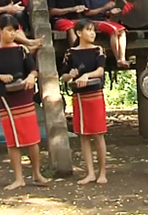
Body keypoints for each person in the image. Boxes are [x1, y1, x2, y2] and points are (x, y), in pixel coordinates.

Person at [0, 14, 50, 190]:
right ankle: (18, 178)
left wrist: (31, 78)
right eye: (9, 30)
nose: (12, 34)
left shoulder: (22, 50)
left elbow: (33, 70)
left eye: (14, 30)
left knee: (32, 138)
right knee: (12, 140)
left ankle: (37, 173)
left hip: (24, 96)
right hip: (5, 98)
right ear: (0, 31)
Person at [60, 19, 109, 185]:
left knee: (98, 134)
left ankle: (102, 172)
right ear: (79, 33)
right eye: (88, 30)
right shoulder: (70, 53)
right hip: (79, 97)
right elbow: (64, 76)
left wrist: (87, 75)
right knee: (84, 135)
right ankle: (89, 172)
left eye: (93, 30)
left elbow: (100, 70)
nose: (92, 33)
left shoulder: (98, 50)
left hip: (94, 94)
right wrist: (71, 75)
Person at [82, 0, 130, 68]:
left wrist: (111, 12)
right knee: (114, 30)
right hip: (93, 21)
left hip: (104, 20)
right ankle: (118, 60)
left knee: (122, 30)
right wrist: (105, 8)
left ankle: (123, 58)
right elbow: (88, 13)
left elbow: (106, 12)